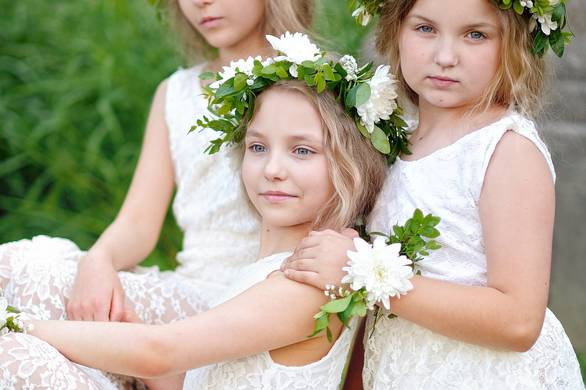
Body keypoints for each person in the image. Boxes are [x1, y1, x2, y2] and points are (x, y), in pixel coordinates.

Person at [0, 37, 391, 388]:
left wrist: (17, 324)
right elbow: (184, 378)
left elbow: (159, 352)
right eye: (258, 147)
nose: (272, 168)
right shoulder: (259, 274)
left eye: (301, 150)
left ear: (348, 164)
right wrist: (127, 331)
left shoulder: (307, 286)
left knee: (16, 354)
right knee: (27, 269)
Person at [282, 0, 585, 388]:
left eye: (475, 34)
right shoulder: (392, 145)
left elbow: (519, 320)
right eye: (425, 29)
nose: (445, 57)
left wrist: (363, 274)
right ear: (395, 31)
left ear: (513, 44)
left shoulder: (505, 151)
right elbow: (374, 317)